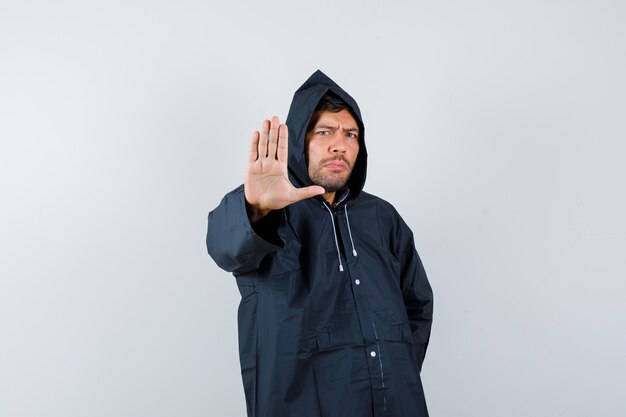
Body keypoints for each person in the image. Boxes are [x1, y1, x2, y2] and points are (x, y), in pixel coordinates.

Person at [206, 70, 433, 417]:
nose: (339, 144)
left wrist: (397, 368)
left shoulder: (382, 217)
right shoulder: (270, 211)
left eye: (351, 134)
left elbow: (417, 307)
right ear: (300, 139)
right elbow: (225, 246)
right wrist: (257, 206)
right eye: (325, 131)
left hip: (394, 404)